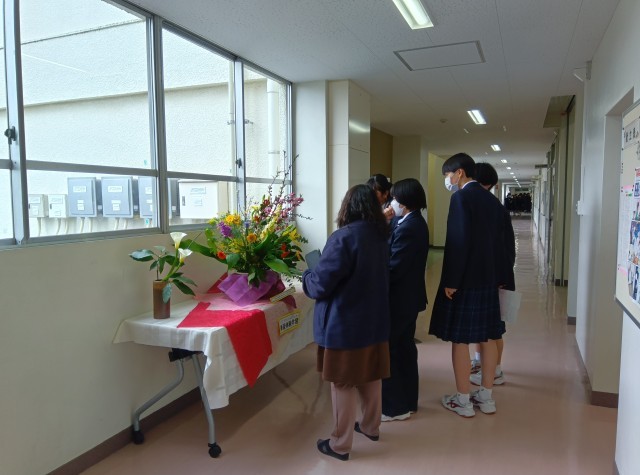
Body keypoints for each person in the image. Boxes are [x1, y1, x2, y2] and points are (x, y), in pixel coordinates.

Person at [302, 184, 390, 461]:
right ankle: (371, 427)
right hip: (375, 319)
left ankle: (340, 444)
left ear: (347, 207)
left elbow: (320, 285)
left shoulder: (343, 237)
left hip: (346, 323)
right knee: (371, 374)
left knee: (342, 382)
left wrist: (306, 276)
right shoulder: (381, 235)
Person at [428, 153, 509, 417]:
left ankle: (462, 400)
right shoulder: (492, 201)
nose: (448, 180)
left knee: (460, 340)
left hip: (466, 280)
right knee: (488, 337)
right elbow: (501, 244)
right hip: (489, 279)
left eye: (448, 175)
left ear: (459, 172)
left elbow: (458, 241)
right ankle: (486, 397)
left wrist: (452, 281)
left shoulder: (461, 198)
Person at [381, 178, 429, 421]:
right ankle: (408, 402)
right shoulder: (409, 221)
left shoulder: (410, 227)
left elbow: (395, 267)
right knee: (404, 349)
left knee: (392, 350)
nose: (391, 202)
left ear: (405, 202)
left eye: (395, 198)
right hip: (408, 298)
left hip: (401, 299)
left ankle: (394, 407)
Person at [468, 162, 516, 388]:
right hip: (493, 276)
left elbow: (503, 249)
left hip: (497, 278)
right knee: (484, 327)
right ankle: (481, 363)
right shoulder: (488, 205)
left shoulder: (493, 208)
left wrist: (501, 280)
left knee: (494, 330)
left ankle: (495, 370)